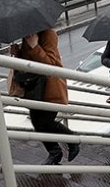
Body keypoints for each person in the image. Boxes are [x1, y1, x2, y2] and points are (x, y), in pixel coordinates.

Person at [8, 29, 78, 166]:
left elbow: (51, 64)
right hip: (35, 88)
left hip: (50, 86)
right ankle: (54, 152)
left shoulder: (49, 34)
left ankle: (71, 141)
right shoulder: (29, 34)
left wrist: (35, 46)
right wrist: (18, 53)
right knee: (37, 122)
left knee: (47, 122)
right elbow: (30, 61)